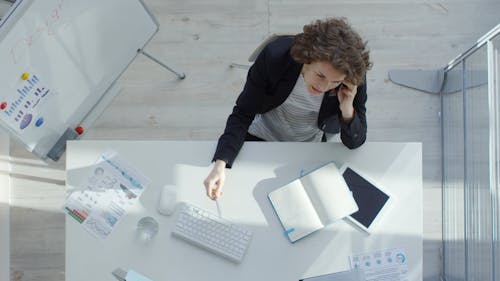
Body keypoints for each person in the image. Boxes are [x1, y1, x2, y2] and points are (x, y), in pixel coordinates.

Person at [204, 17, 372, 200]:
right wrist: (221, 164)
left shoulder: (353, 78)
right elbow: (243, 112)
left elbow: (356, 141)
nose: (324, 87)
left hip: (309, 146)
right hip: (261, 134)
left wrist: (347, 110)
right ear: (307, 58)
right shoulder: (275, 57)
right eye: (320, 76)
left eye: (336, 82)